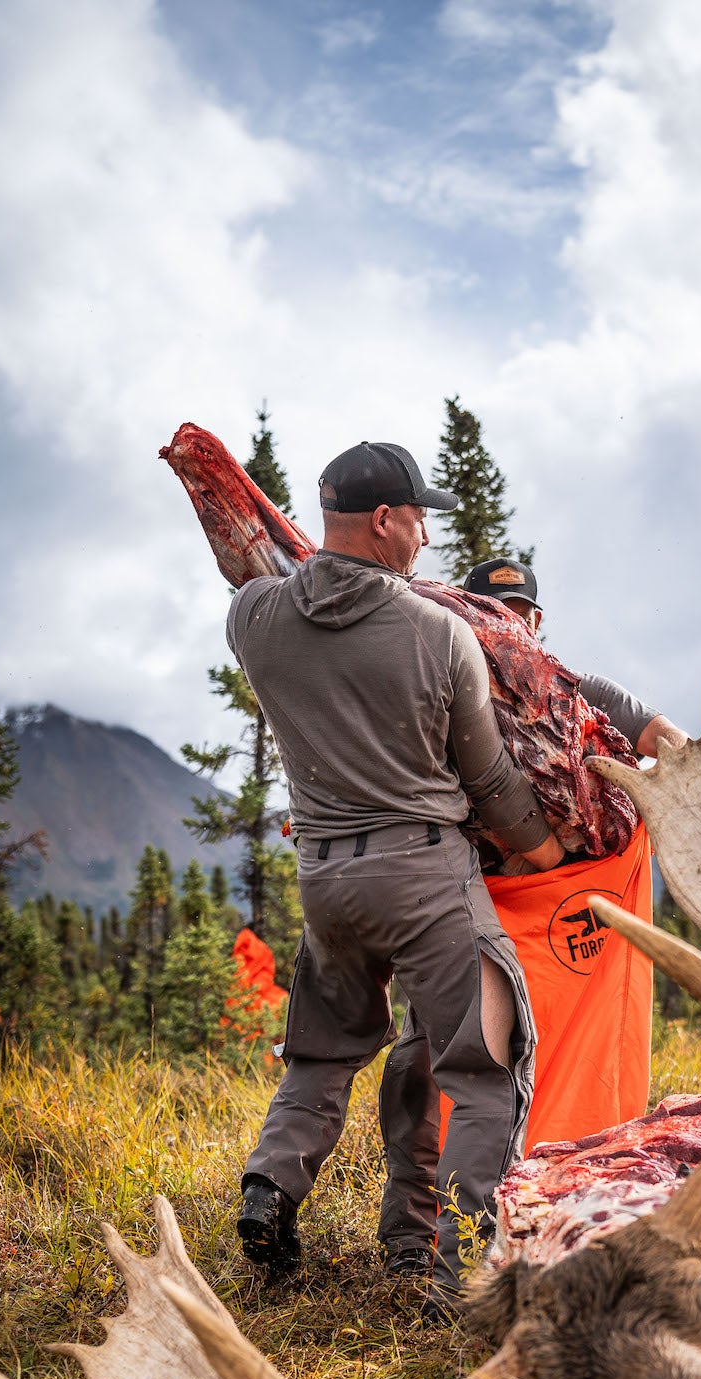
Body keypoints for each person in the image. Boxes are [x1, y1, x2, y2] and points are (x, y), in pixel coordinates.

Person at [228, 441, 565, 1311]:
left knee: (318, 1054)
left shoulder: (254, 620)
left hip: (324, 883)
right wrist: (545, 854)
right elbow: (488, 780)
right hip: (421, 876)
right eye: (418, 517)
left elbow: (264, 576)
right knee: (485, 1068)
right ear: (384, 519)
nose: (423, 536)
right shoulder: (437, 632)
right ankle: (458, 1276)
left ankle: (270, 1186)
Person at [463, 557, 688, 760]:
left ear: (537, 623)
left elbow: (671, 743)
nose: (511, 632)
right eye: (495, 620)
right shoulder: (452, 702)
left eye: (522, 621)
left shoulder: (584, 694)